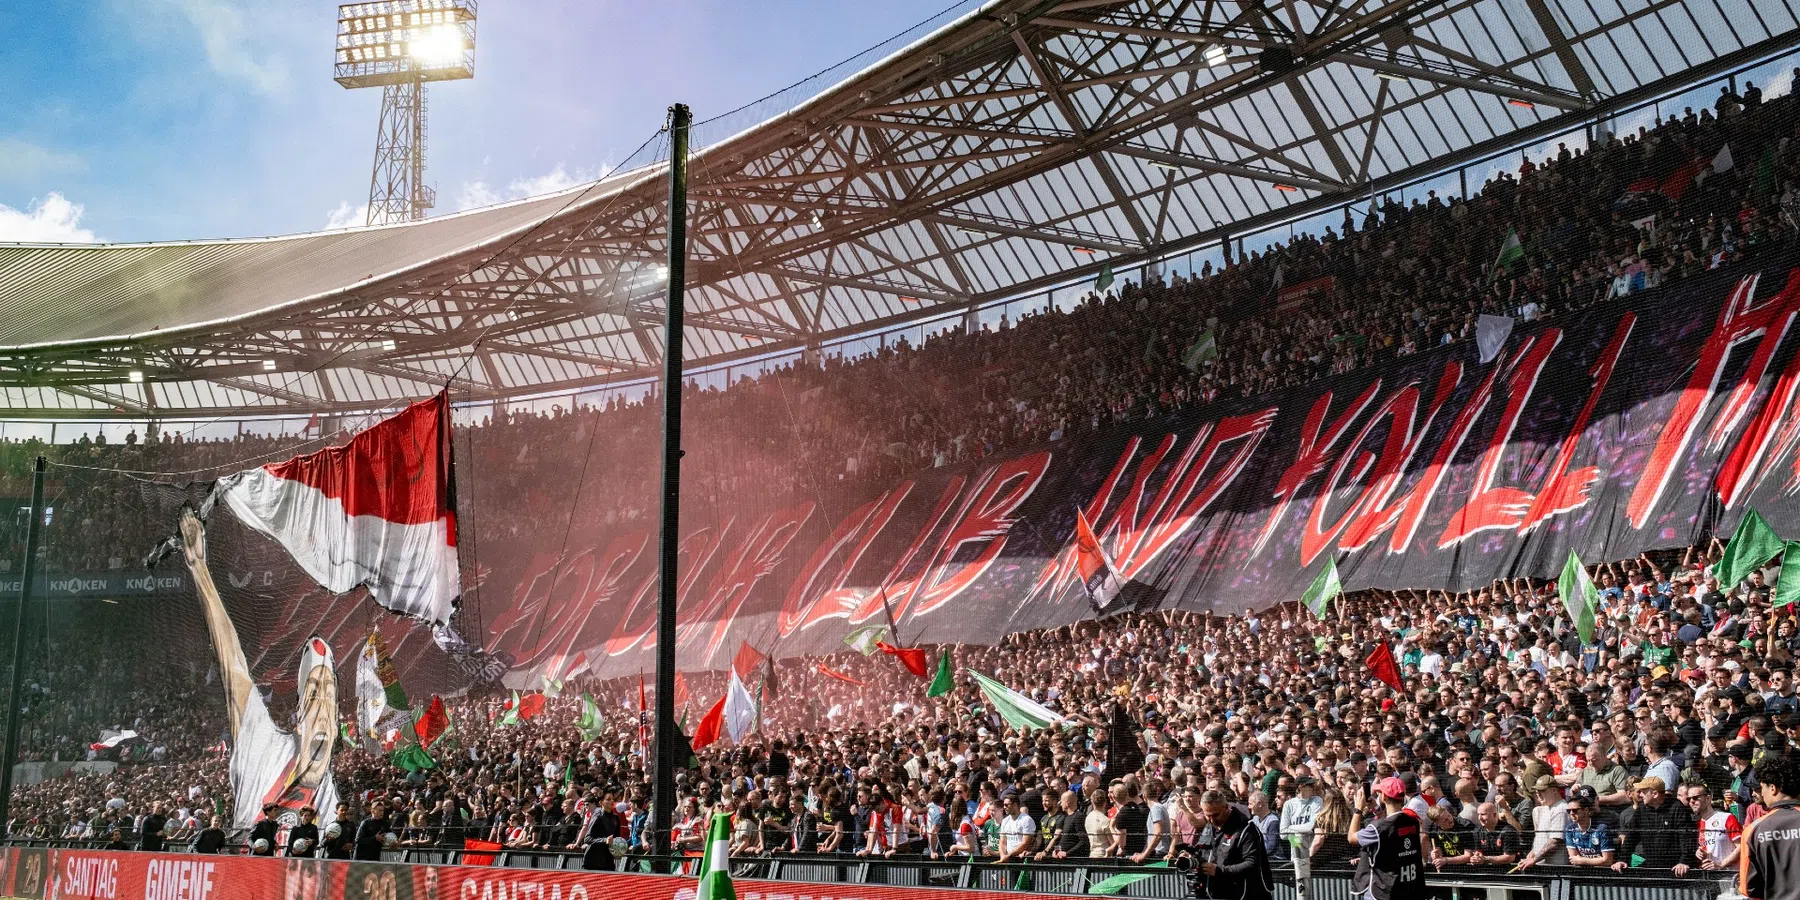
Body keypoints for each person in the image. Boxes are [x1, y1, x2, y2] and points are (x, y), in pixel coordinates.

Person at [178, 511, 340, 842]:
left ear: (337, 721)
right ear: (298, 718)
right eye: (312, 695)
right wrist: (200, 569)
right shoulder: (266, 747)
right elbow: (232, 663)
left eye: (328, 697)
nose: (321, 708)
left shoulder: (331, 800)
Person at [1348, 777, 1424, 900]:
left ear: (1384, 797)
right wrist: (1377, 809)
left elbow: (1351, 838)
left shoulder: (1377, 828)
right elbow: (1393, 822)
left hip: (1384, 890)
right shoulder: (1413, 821)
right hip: (1409, 888)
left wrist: (1358, 810)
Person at [1193, 790, 1273, 900]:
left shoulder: (1247, 829)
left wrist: (1219, 870)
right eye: (1207, 816)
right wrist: (1190, 856)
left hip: (1246, 893)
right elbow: (1201, 850)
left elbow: (1251, 864)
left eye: (1215, 815)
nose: (1212, 820)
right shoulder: (1209, 827)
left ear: (1226, 807)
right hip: (1214, 892)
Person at [1742, 753, 1800, 900]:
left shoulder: (1753, 830)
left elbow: (1748, 888)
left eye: (1762, 787)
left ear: (1773, 788)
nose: (1761, 793)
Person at [1618, 776, 1696, 874]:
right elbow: (1631, 837)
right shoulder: (1641, 809)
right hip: (1651, 867)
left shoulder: (1677, 808)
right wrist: (1622, 860)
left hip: (1675, 869)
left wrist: (1684, 862)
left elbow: (1686, 837)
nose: (1640, 795)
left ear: (1655, 794)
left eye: (1643, 791)